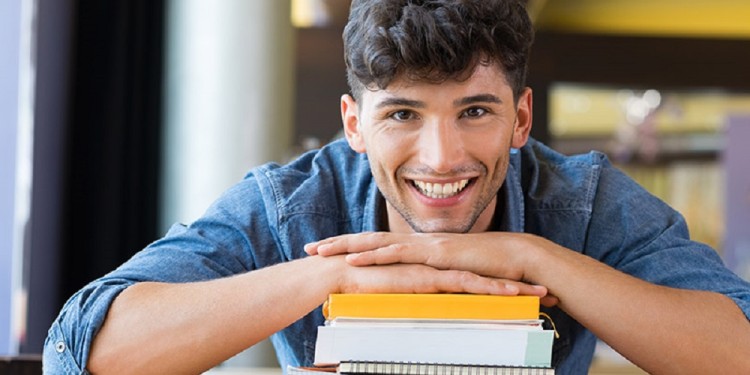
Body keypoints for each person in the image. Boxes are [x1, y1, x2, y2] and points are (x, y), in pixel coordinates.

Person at [44, 0, 750, 374]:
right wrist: (336, 277)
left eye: (474, 111)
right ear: (354, 123)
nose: (441, 157)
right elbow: (81, 353)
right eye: (403, 114)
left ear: (521, 117)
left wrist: (536, 260)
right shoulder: (295, 203)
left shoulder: (583, 201)